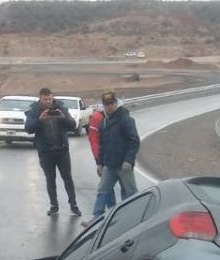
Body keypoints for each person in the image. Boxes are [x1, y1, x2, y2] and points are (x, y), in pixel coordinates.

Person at [24, 87, 81, 217]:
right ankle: (54, 205)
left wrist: (62, 117)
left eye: (50, 99)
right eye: (45, 99)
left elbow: (72, 125)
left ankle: (74, 205)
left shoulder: (60, 107)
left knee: (68, 178)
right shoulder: (34, 110)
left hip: (62, 150)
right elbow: (28, 128)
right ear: (40, 98)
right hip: (46, 152)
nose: (49, 102)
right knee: (50, 179)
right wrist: (40, 120)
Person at [90, 90, 139, 226]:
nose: (109, 107)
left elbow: (134, 140)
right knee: (102, 191)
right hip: (109, 165)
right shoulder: (104, 122)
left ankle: (134, 220)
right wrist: (99, 163)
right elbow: (102, 144)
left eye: (111, 104)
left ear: (116, 103)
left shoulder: (125, 119)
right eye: (106, 104)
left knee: (130, 194)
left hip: (124, 165)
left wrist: (129, 160)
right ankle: (96, 218)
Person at [86, 102, 115, 219]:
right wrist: (99, 161)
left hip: (114, 160)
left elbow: (95, 142)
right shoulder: (98, 118)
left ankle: (104, 216)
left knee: (106, 188)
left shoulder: (120, 117)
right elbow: (95, 142)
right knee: (106, 187)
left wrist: (99, 161)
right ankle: (111, 214)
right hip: (110, 159)